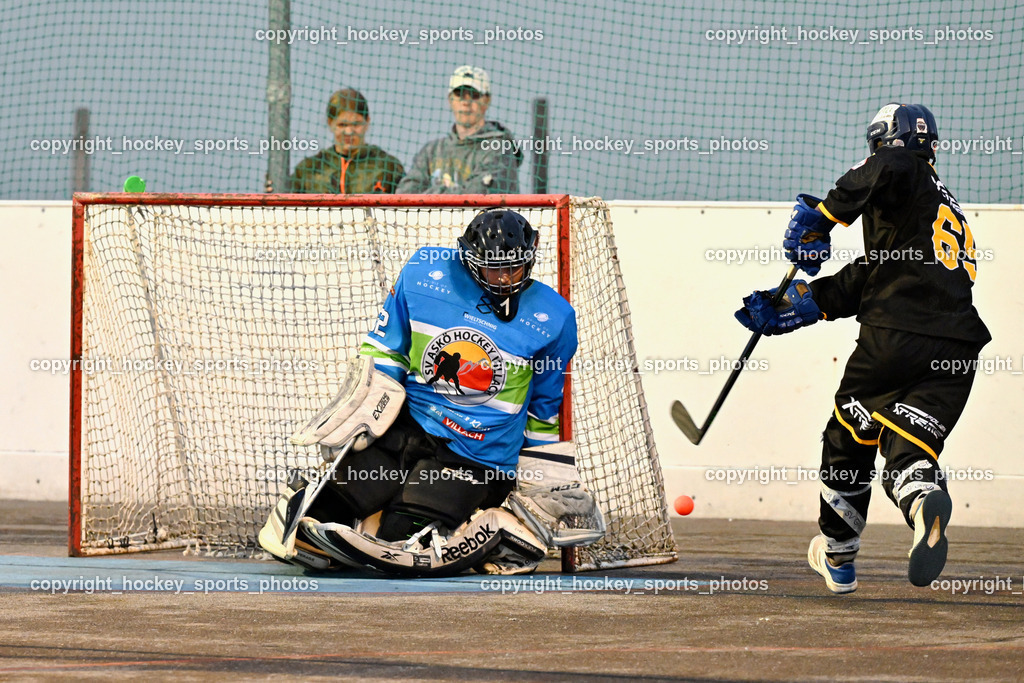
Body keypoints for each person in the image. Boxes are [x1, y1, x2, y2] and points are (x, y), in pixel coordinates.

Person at [259, 209, 603, 576]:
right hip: (408, 429)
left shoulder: (556, 317)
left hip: (477, 457)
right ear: (469, 260)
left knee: (399, 535)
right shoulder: (424, 274)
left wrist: (541, 480)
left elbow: (543, 409)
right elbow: (386, 349)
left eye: (514, 268)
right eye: (492, 268)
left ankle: (495, 531)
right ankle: (364, 521)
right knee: (319, 516)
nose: (503, 278)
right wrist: (363, 409)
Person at [734, 103, 990, 593]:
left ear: (885, 140)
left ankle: (839, 554)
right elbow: (877, 273)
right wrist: (804, 302)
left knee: (848, 430)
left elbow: (888, 165)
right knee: (907, 444)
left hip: (894, 337)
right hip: (957, 351)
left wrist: (824, 217)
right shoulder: (939, 206)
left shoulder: (899, 167)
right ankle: (921, 501)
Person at [397, 66, 522, 194]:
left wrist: (430, 195)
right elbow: (404, 195)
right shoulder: (431, 151)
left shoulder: (499, 148)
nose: (465, 102)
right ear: (450, 100)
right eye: (459, 94)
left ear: (487, 100)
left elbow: (476, 195)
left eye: (474, 95)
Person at [279, 88, 404, 193]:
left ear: (367, 122)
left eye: (356, 125)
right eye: (342, 125)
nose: (349, 132)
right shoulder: (309, 170)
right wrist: (274, 188)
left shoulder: (387, 167)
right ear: (330, 123)